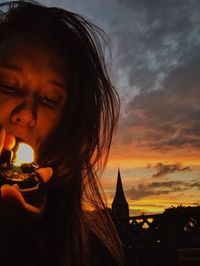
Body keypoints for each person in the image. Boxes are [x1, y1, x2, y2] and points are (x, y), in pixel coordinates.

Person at [0, 1, 124, 266]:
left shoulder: (90, 253)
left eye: (48, 99)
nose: (27, 113)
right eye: (9, 86)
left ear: (68, 123)